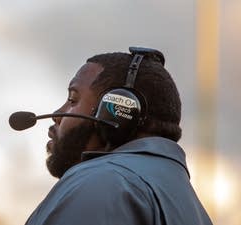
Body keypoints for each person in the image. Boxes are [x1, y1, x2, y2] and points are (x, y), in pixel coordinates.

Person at [24, 47, 213, 225]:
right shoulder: (193, 208)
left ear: (116, 115)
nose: (58, 114)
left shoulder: (102, 183)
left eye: (73, 99)